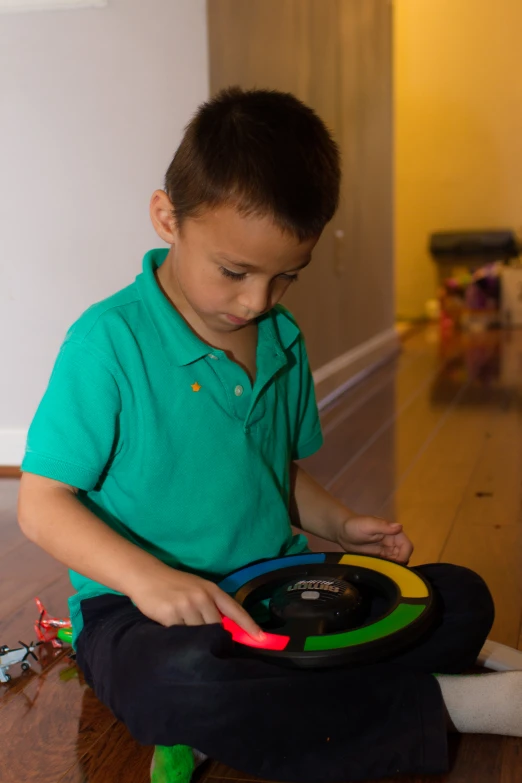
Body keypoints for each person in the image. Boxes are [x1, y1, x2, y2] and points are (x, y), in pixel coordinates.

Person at [18, 87, 517, 783]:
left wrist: (340, 522)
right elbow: (40, 504)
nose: (257, 301)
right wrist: (150, 580)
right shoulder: (107, 343)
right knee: (181, 680)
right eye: (235, 272)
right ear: (168, 217)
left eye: (285, 277)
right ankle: (452, 702)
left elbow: (273, 471)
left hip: (274, 586)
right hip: (140, 611)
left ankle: (264, 710)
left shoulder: (282, 339)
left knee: (460, 595)